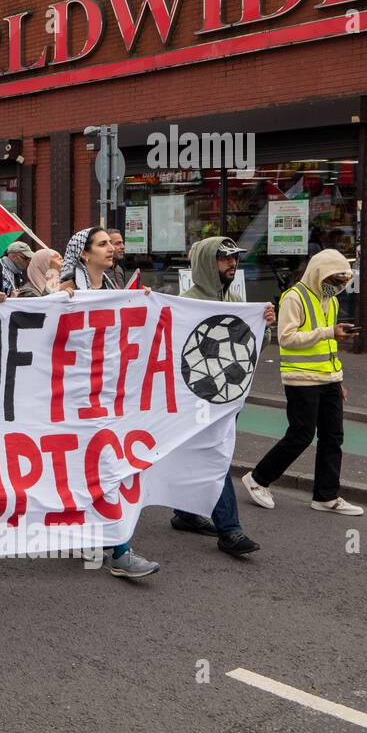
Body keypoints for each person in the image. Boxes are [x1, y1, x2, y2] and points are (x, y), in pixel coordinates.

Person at [57, 226, 160, 579]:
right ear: (84, 254)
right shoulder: (66, 291)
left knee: (104, 469)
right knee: (99, 469)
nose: (110, 249)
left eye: (109, 244)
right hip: (74, 400)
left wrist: (142, 304)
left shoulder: (116, 291)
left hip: (110, 397)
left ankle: (105, 540)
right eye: (101, 245)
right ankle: (119, 550)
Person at [169, 237, 272, 556]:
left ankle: (185, 514)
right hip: (197, 399)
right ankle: (230, 531)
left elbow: (252, 349)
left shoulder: (237, 299)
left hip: (228, 397)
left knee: (202, 455)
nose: (232, 263)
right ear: (205, 263)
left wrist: (265, 327)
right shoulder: (186, 303)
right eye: (223, 258)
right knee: (216, 456)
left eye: (234, 258)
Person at [241, 249, 362, 516]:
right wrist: (329, 331)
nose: (339, 285)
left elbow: (329, 345)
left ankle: (326, 496)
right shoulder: (294, 297)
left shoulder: (329, 300)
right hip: (301, 379)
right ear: (319, 273)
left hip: (328, 378)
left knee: (333, 437)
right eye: (335, 279)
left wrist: (337, 380)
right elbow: (286, 338)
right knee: (301, 435)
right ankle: (258, 479)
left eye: (343, 280)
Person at [59, 226, 121, 292]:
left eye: (110, 243)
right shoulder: (67, 290)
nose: (112, 249)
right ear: (84, 254)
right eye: (102, 244)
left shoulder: (112, 286)